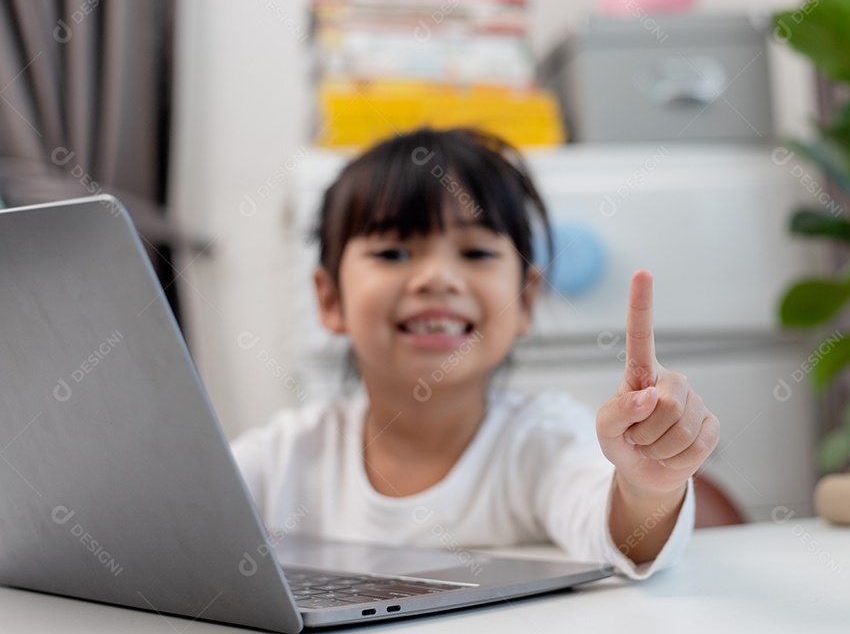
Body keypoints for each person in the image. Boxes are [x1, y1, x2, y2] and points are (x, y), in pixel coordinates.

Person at [231, 127, 720, 578]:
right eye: (394, 253)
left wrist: (646, 487)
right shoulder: (284, 458)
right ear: (330, 300)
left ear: (525, 298)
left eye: (476, 253)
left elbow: (619, 535)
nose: (438, 278)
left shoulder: (541, 442)